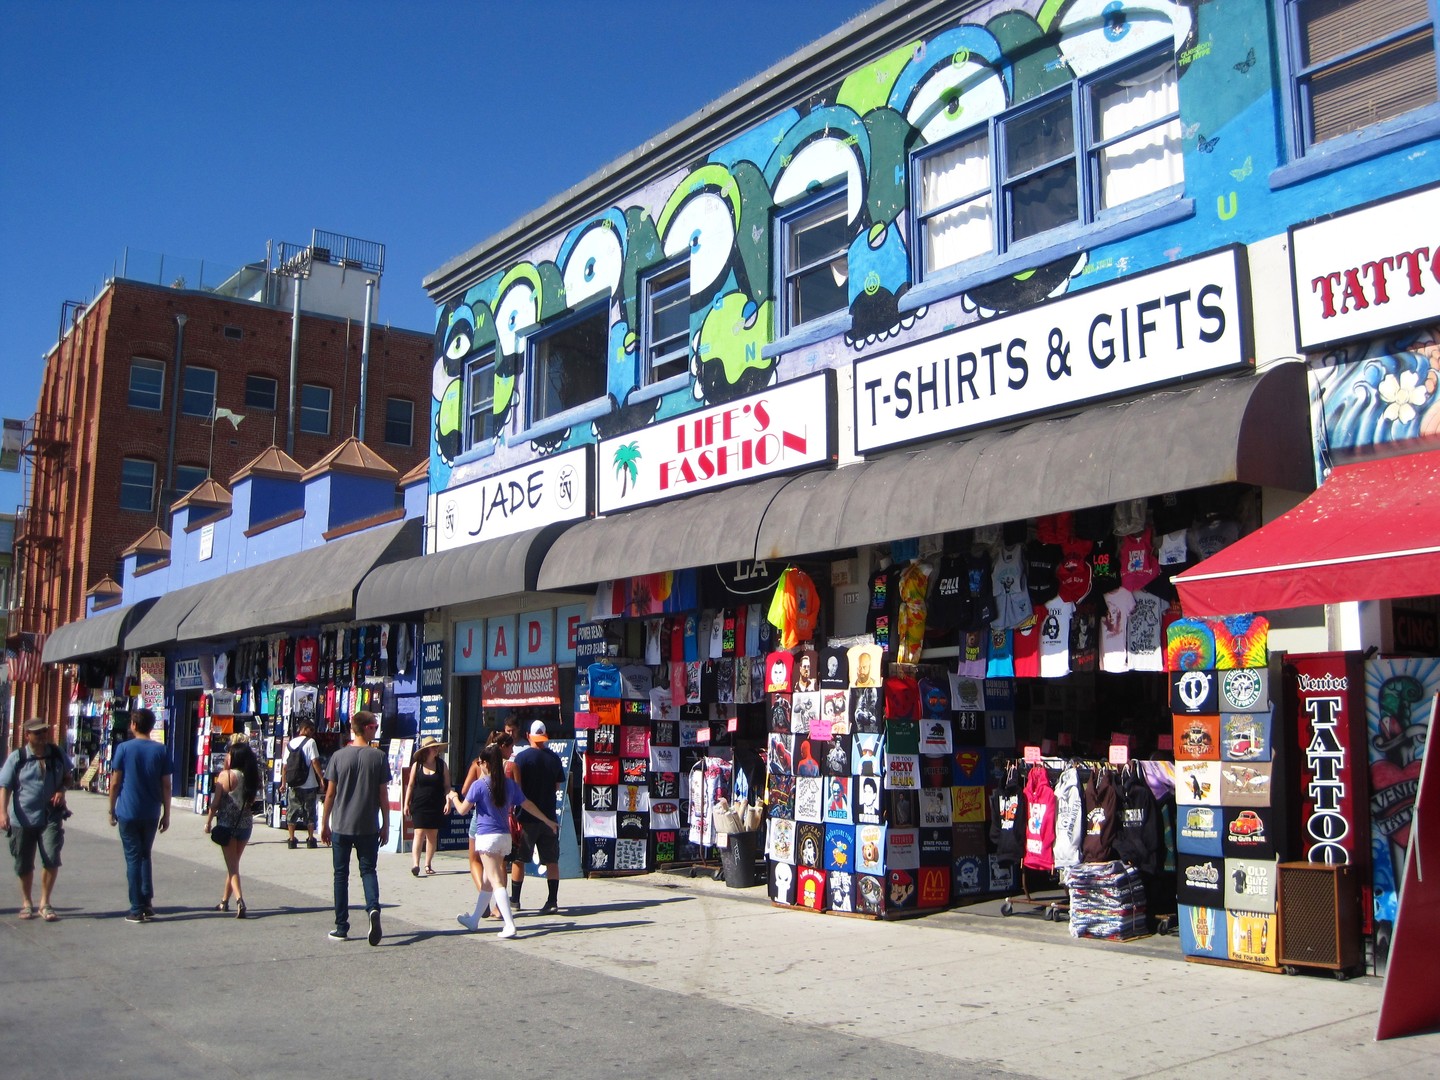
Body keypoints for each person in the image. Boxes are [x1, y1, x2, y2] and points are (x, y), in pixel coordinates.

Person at [448, 741, 558, 939]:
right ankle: (473, 919)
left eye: (481, 762)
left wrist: (453, 796)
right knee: (487, 882)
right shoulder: (508, 784)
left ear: (486, 764)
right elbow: (527, 804)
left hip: (486, 838)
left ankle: (509, 924)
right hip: (503, 838)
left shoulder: (479, 785)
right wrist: (547, 821)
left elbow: (463, 810)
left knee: (495, 880)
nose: (479, 764)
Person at [320, 711, 389, 944]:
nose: (377, 729)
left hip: (341, 824)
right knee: (368, 871)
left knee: (341, 875)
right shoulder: (378, 757)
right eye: (375, 726)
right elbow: (383, 795)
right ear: (366, 728)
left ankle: (341, 926)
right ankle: (373, 908)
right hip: (368, 825)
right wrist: (386, 824)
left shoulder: (339, 757)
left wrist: (324, 823)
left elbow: (330, 793)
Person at [0, 717, 73, 922]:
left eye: (44, 732)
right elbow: (4, 787)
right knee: (23, 863)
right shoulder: (18, 757)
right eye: (38, 733)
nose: (42, 736)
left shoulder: (57, 753)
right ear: (27, 736)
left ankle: (45, 903)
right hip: (23, 818)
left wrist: (61, 790)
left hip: (51, 816)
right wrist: (2, 813)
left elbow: (69, 777)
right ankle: (26, 902)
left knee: (51, 857)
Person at [108, 709, 172, 923]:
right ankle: (146, 902)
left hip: (128, 811)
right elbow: (166, 786)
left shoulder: (124, 749)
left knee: (133, 858)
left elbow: (115, 782)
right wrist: (167, 814)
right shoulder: (161, 750)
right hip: (151, 812)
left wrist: (111, 809)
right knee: (145, 855)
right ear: (152, 726)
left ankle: (136, 908)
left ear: (134, 724)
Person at [510, 720, 566, 915]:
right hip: (549, 817)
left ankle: (515, 900)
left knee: (519, 859)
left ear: (528, 735)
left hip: (526, 817)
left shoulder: (521, 758)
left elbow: (515, 787)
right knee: (552, 860)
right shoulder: (554, 758)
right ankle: (552, 900)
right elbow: (558, 786)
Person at [204, 738, 262, 917]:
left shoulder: (225, 776)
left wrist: (208, 821)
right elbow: (251, 802)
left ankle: (239, 900)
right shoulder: (250, 777)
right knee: (234, 864)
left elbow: (215, 803)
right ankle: (224, 901)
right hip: (245, 825)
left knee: (233, 867)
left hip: (227, 825)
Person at [403, 736, 449, 877]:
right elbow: (410, 785)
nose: (436, 749)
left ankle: (428, 864)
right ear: (426, 750)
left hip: (436, 803)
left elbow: (447, 786)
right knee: (419, 833)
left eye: (437, 747)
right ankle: (415, 864)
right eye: (434, 747)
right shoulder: (417, 765)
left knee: (432, 835)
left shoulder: (442, 765)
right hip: (419, 803)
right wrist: (406, 803)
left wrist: (448, 801)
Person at [285, 719, 324, 850]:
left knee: (292, 811)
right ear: (305, 729)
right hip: (309, 784)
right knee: (310, 811)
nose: (313, 733)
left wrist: (283, 782)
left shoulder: (290, 743)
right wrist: (321, 778)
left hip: (293, 784)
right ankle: (311, 839)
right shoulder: (311, 742)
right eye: (311, 730)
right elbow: (315, 762)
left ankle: (291, 839)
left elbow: (285, 766)